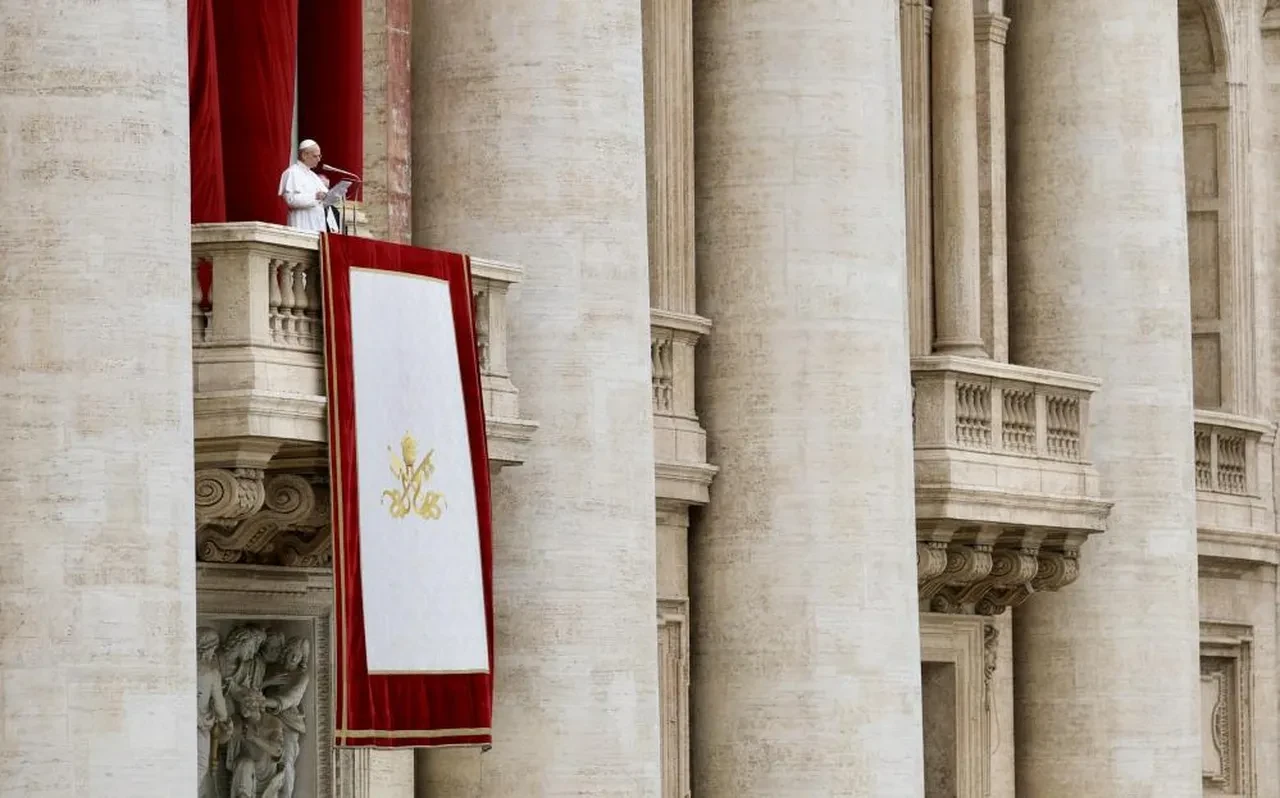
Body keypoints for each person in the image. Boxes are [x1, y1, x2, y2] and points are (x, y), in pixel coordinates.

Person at [278, 139, 335, 232]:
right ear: (304, 155)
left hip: (317, 226)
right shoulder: (292, 172)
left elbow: (325, 199)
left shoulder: (314, 176)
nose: (319, 159)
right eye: (315, 156)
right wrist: (315, 196)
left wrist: (334, 194)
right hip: (302, 224)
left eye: (320, 156)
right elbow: (291, 200)